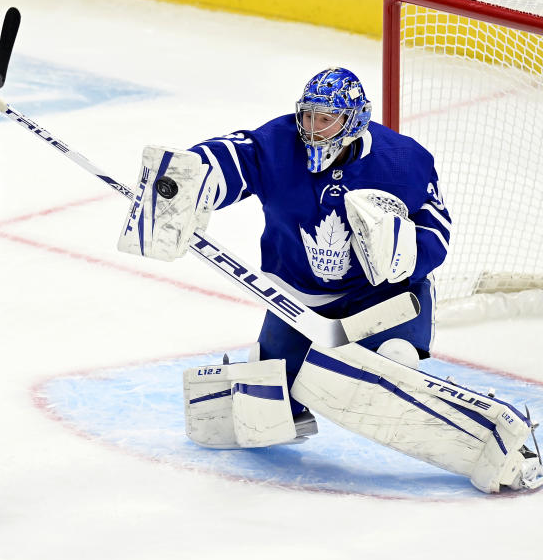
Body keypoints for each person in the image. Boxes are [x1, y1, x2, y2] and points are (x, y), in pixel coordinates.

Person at [120, 67, 542, 493]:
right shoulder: (279, 143)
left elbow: (437, 233)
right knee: (258, 411)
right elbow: (231, 157)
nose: (313, 128)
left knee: (389, 369)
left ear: (354, 120)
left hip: (382, 298)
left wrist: (407, 253)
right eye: (308, 116)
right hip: (300, 300)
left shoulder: (403, 160)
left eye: (327, 119)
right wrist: (186, 180)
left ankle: (490, 442)